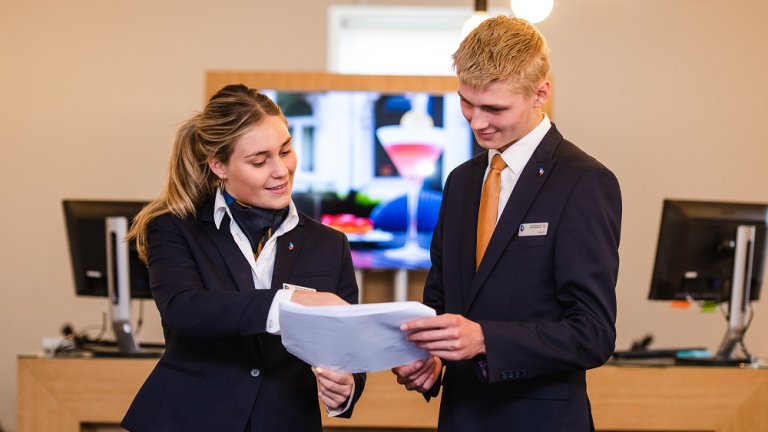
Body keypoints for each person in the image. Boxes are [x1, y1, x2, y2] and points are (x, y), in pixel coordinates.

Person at [392, 16, 621, 431]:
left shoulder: (584, 182)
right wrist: (431, 358)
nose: (477, 122)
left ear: (541, 93)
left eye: (495, 108)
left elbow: (593, 333)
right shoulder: (460, 182)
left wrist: (484, 339)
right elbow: (443, 302)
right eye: (466, 102)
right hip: (461, 418)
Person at [121, 84, 365, 432]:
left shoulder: (330, 244)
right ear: (219, 165)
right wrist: (287, 303)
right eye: (259, 160)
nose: (281, 170)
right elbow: (185, 310)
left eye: (286, 151)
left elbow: (346, 346)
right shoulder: (175, 228)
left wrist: (346, 388)